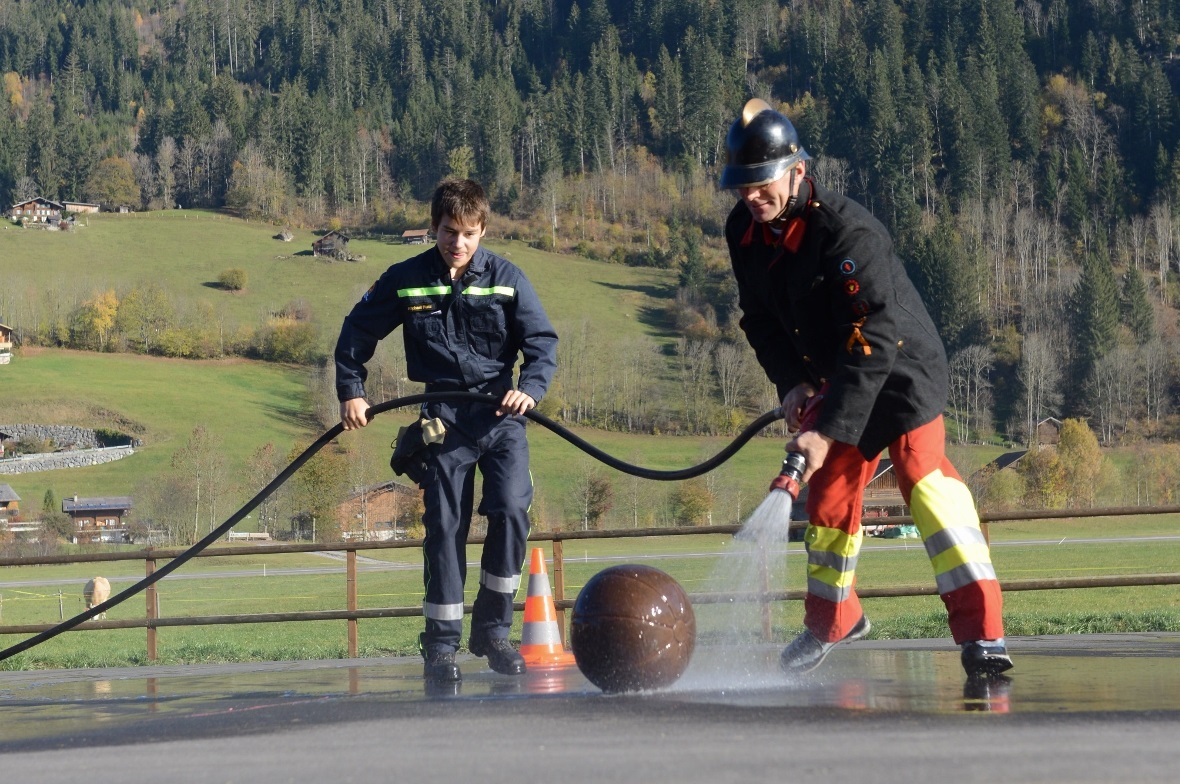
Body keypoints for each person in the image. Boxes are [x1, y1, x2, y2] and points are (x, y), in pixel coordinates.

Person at [720, 99, 1012, 681]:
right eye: (742, 186)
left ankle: (984, 634)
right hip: (837, 376)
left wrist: (827, 430)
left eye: (762, 183)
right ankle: (834, 621)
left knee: (926, 483)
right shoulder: (744, 233)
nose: (752, 197)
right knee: (827, 500)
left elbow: (874, 335)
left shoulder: (847, 231)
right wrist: (792, 384)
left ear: (797, 170)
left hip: (902, 373)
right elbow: (760, 320)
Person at [334, 179, 558, 683]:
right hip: (443, 420)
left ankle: (494, 633)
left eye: (469, 234)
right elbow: (356, 333)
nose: (458, 243)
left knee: (511, 511)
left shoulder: (507, 279)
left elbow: (542, 342)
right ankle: (440, 646)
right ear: (434, 227)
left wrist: (531, 389)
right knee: (445, 529)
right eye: (449, 232)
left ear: (483, 231)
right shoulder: (406, 279)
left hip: (501, 416)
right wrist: (352, 390)